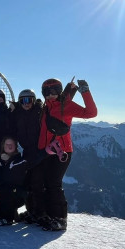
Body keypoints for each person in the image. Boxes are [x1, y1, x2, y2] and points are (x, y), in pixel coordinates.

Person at [29, 78, 98, 231]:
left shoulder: (66, 105)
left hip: (62, 152)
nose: (50, 94)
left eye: (54, 90)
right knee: (46, 183)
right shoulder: (46, 107)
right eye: (47, 91)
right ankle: (48, 215)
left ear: (59, 90)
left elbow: (91, 113)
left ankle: (60, 219)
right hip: (46, 151)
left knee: (54, 184)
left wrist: (85, 91)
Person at [8, 89, 46, 221]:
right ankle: (32, 211)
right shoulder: (17, 113)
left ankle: (40, 213)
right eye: (23, 100)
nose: (27, 103)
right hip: (27, 152)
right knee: (27, 182)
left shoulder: (39, 112)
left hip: (40, 151)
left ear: (34, 100)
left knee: (37, 183)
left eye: (30, 100)